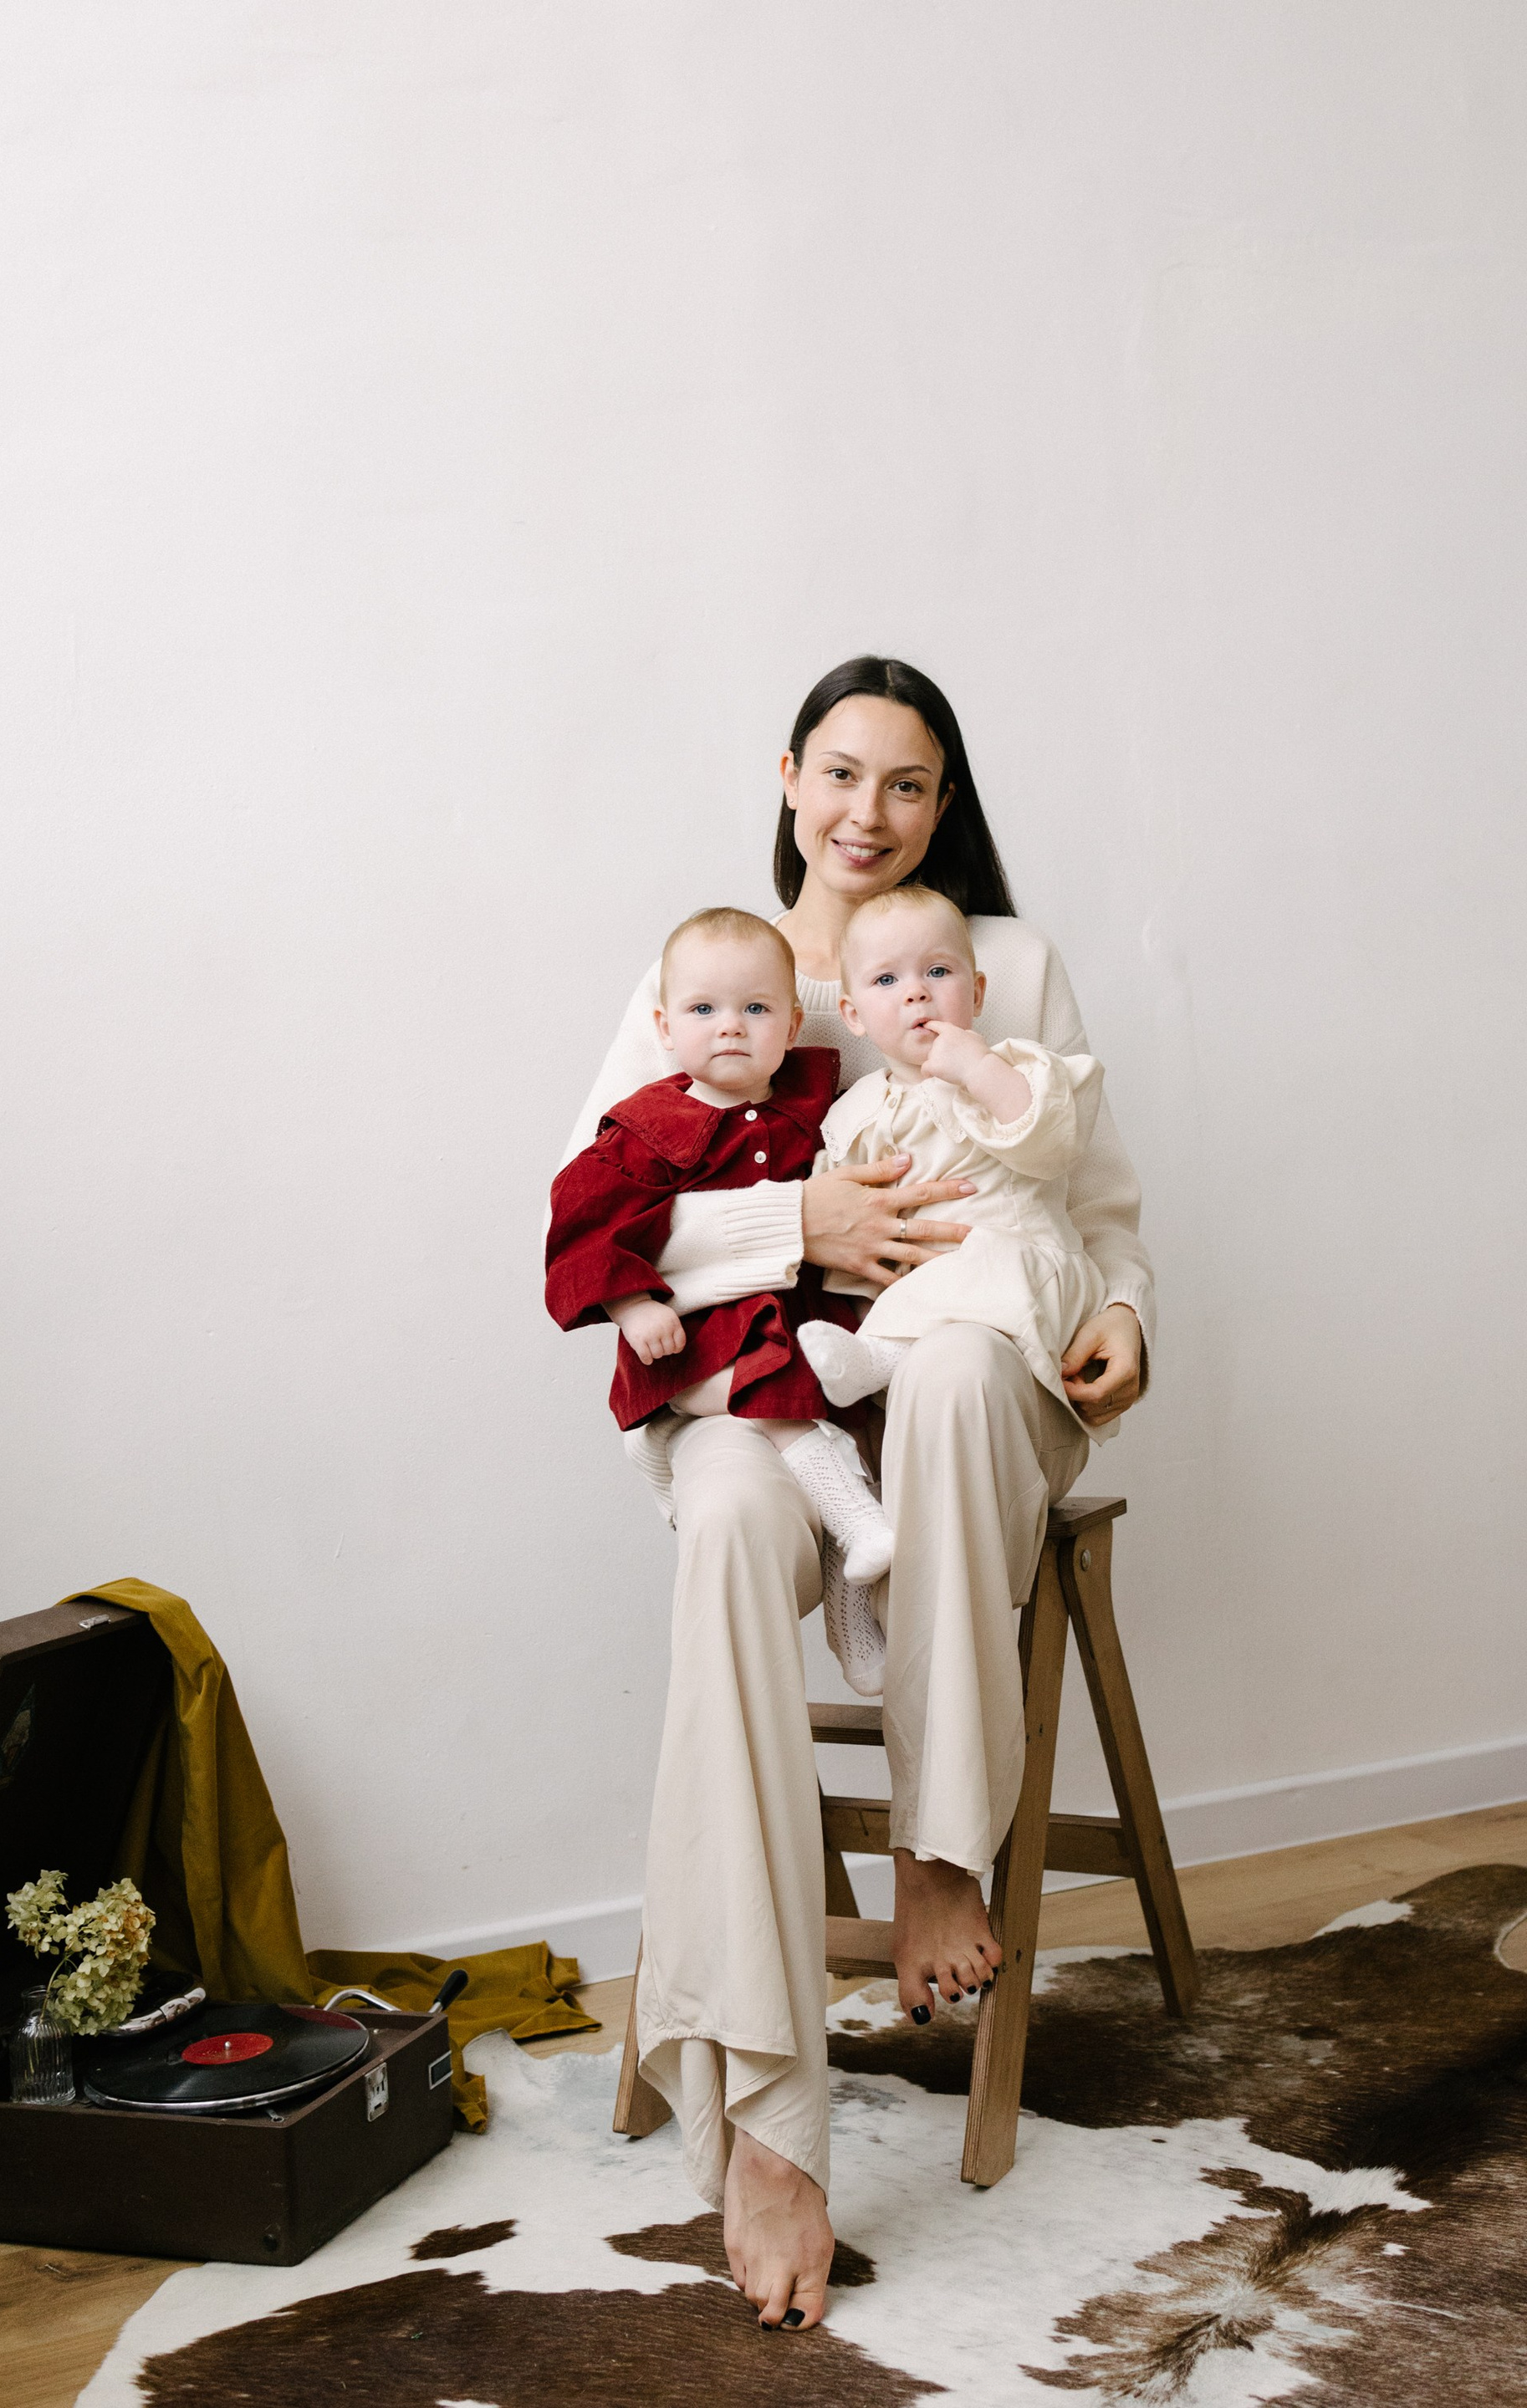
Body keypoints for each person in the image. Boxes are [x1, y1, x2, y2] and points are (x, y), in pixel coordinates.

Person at [559, 656, 1152, 2332]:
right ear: (788, 777)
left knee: (954, 1370)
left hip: (979, 1369)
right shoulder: (711, 970)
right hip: (769, 1381)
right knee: (733, 1522)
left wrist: (1127, 1315)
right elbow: (590, 1217)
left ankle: (939, 1847)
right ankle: (768, 2119)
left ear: (944, 801)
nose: (867, 812)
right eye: (840, 773)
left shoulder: (1003, 959)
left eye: (906, 783)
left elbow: (1099, 1203)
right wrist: (792, 1229)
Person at [544, 906, 893, 1594]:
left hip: (801, 1325)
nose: (730, 1025)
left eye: (755, 1009)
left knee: (849, 1420)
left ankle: (856, 1611)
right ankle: (860, 1521)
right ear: (665, 1029)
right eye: (703, 1009)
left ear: (791, 1027)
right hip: (693, 1349)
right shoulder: (647, 1128)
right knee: (778, 1392)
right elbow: (586, 1227)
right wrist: (632, 1306)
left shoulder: (814, 1106)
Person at [798, 884, 1111, 1448]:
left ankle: (880, 1358)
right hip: (919, 1307)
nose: (916, 992)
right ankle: (881, 1357)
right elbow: (848, 1234)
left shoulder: (1015, 1069)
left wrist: (978, 1070)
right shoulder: (855, 1116)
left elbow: (1055, 1143)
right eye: (886, 980)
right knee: (911, 1329)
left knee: (979, 1263)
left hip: (1025, 1264)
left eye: (938, 972)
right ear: (853, 1014)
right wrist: (868, 1295)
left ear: (978, 991)